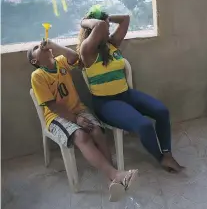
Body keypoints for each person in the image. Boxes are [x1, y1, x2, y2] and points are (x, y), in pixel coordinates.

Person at [27, 39, 138, 202]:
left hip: (78, 109)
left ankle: (113, 180)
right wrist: (75, 119)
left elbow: (74, 57)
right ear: (34, 61)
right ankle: (116, 174)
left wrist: (54, 46)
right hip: (56, 117)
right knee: (81, 136)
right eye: (36, 47)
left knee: (97, 131)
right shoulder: (37, 76)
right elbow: (52, 105)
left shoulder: (61, 62)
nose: (41, 46)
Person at [77, 5, 183, 173]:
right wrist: (85, 21)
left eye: (107, 25)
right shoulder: (87, 50)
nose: (107, 28)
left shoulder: (112, 44)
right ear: (93, 29)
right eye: (104, 26)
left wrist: (107, 18)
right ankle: (161, 159)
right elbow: (100, 27)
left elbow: (126, 18)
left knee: (162, 111)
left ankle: (166, 152)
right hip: (106, 103)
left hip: (126, 95)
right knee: (144, 126)